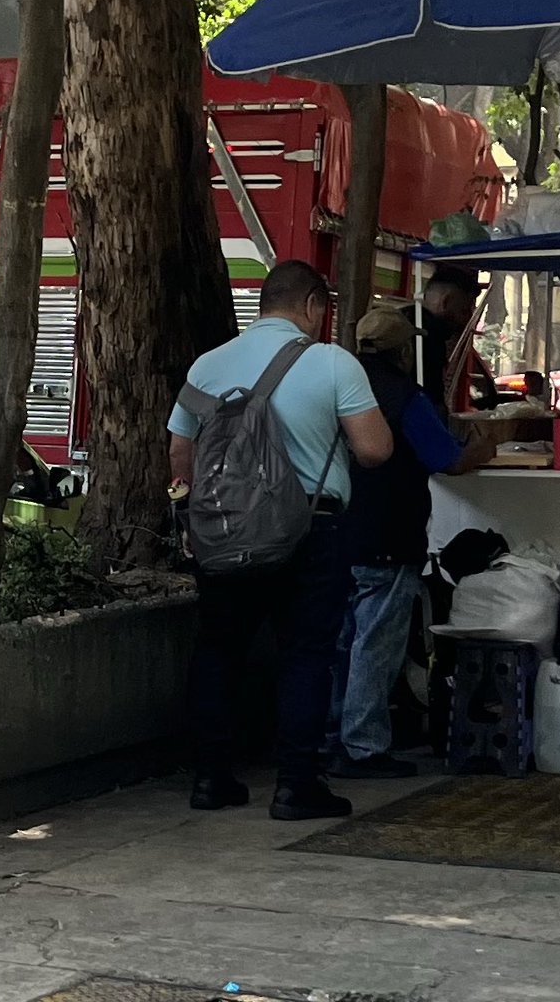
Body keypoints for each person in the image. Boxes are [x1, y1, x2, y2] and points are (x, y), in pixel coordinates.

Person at [167, 260, 393, 821]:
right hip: (312, 530)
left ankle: (211, 779)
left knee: (219, 648)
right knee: (306, 655)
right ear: (314, 305)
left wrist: (194, 519)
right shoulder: (332, 363)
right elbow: (375, 450)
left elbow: (179, 451)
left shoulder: (208, 365)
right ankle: (296, 786)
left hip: (225, 530)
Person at [329, 307, 495, 778]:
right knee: (375, 645)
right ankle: (363, 747)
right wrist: (481, 449)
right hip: (389, 535)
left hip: (338, 533)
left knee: (341, 643)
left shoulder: (338, 388)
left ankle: (330, 737)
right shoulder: (405, 396)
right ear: (403, 351)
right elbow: (447, 460)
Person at [408, 266, 493, 416]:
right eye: (464, 311)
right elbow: (431, 396)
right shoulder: (428, 338)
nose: (467, 318)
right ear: (445, 302)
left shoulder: (410, 323)